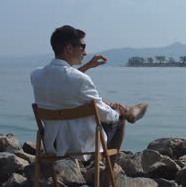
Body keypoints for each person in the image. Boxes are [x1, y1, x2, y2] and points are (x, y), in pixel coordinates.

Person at [31, 25, 147, 157]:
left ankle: (126, 110)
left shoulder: (36, 75)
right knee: (119, 119)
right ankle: (108, 174)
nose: (85, 52)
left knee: (91, 102)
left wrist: (87, 66)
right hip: (80, 145)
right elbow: (104, 116)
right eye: (82, 47)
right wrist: (118, 111)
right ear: (69, 48)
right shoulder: (81, 80)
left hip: (53, 144)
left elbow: (64, 82)